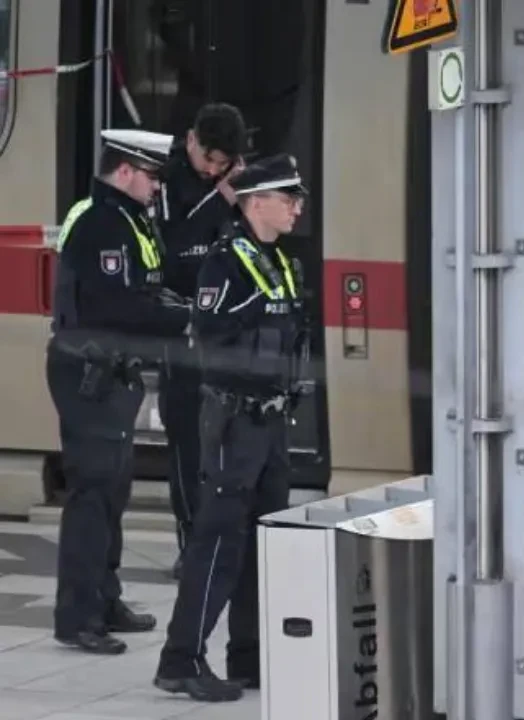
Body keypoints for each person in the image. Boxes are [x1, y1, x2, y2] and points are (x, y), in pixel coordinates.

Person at [154, 154, 310, 701]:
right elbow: (211, 335)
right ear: (255, 203)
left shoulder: (279, 260)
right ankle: (181, 659)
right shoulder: (225, 263)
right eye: (288, 197)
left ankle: (248, 656)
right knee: (218, 542)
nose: (297, 207)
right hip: (235, 423)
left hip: (271, 422)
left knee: (262, 544)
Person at [48, 129, 192, 654]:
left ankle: (105, 600)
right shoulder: (101, 223)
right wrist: (186, 320)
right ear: (125, 171)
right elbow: (119, 306)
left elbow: (146, 288)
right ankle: (78, 616)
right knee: (92, 495)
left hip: (112, 372)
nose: (157, 186)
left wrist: (178, 307)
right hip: (89, 374)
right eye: (151, 175)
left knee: (113, 492)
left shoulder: (129, 219)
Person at [156, 102, 248, 579]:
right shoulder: (165, 179)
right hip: (184, 327)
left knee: (231, 440)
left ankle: (230, 538)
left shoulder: (237, 182)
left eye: (223, 164)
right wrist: (220, 198)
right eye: (208, 159)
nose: (213, 171)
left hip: (230, 328)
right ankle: (191, 540)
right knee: (188, 443)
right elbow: (172, 249)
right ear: (191, 140)